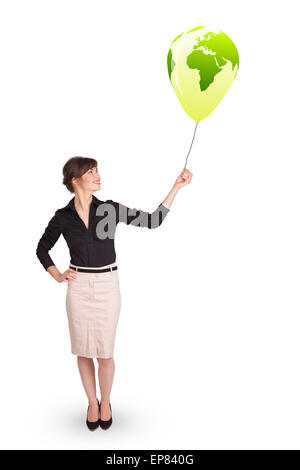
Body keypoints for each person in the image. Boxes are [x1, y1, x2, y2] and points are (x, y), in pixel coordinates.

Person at [36, 156, 193, 430]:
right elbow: (42, 248)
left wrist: (176, 187)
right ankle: (92, 402)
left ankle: (105, 402)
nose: (98, 175)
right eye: (91, 172)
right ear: (75, 181)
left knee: (105, 353)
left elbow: (153, 220)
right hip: (78, 288)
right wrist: (58, 274)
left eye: (97, 171)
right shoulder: (62, 217)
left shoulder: (109, 209)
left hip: (108, 286)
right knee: (83, 352)